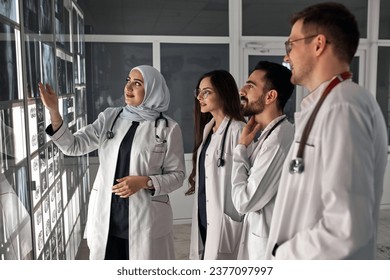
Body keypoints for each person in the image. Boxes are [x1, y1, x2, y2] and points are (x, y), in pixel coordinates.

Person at [265, 2, 388, 259]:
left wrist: (283, 255)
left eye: (291, 45)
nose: (286, 56)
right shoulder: (327, 104)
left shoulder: (344, 106)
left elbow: (346, 227)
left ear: (318, 44)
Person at [38, 65, 186, 260]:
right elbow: (73, 146)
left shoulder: (168, 128)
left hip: (145, 219)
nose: (129, 87)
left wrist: (145, 182)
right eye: (128, 80)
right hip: (109, 217)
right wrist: (54, 112)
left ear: (152, 90)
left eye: (137, 83)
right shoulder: (111, 117)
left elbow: (177, 176)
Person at [231, 61, 294, 260]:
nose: (242, 90)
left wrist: (241, 150)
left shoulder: (278, 141)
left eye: (250, 85)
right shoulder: (269, 135)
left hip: (267, 251)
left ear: (270, 96)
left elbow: (244, 201)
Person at [186, 70, 246, 260]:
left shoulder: (238, 130)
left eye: (207, 92)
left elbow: (246, 177)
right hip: (205, 212)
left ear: (224, 93)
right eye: (199, 91)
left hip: (225, 219)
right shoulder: (208, 129)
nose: (200, 97)